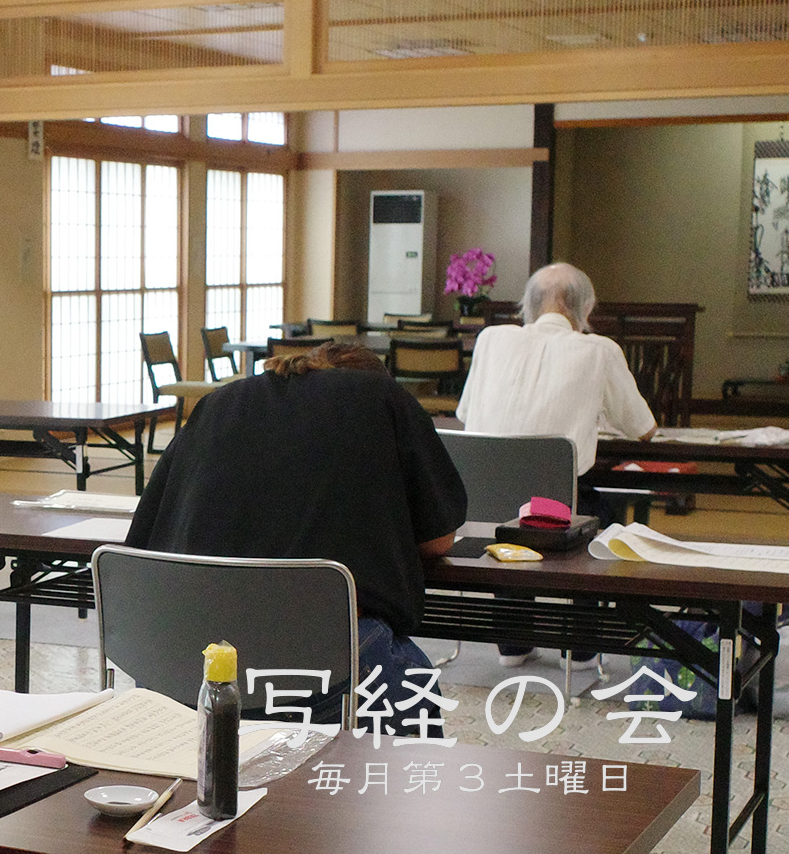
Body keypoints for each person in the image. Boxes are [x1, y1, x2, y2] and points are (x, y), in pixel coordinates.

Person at [126, 342, 467, 737]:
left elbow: (143, 542)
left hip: (179, 668)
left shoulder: (218, 403)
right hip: (323, 669)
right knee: (411, 681)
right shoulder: (380, 397)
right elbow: (438, 540)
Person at [456, 262, 657, 668]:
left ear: (527, 306)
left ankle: (513, 644)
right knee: (602, 519)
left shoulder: (490, 340)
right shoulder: (598, 350)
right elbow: (643, 428)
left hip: (480, 507)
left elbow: (466, 416)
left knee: (513, 503)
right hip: (557, 515)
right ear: (585, 308)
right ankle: (580, 647)